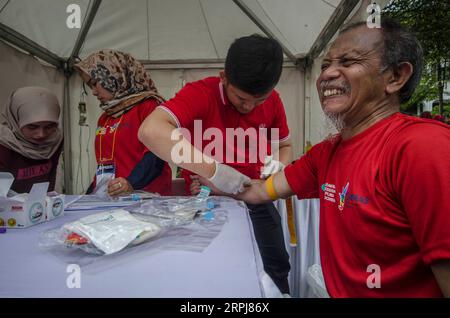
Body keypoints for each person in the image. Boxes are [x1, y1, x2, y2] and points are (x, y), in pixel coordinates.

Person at [236, 19, 450, 297]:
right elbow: (260, 191)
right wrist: (211, 180)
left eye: (348, 62)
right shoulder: (326, 153)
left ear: (395, 77)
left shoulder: (422, 147)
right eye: (325, 65)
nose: (327, 74)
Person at [138, 35, 292, 294]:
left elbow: (284, 147)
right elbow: (151, 131)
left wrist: (279, 163)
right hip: (207, 201)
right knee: (212, 273)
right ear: (224, 77)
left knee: (276, 265)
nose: (249, 107)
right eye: (241, 98)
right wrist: (215, 172)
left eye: (259, 101)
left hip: (257, 197)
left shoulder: (274, 100)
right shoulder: (200, 93)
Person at [74, 49, 172, 196]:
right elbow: (105, 165)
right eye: (90, 86)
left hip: (146, 197)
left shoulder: (148, 106)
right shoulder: (106, 117)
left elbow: (156, 157)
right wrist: (88, 195)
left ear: (114, 75)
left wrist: (130, 183)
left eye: (95, 83)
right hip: (114, 198)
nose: (93, 92)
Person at [0, 87, 63, 193]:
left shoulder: (55, 139)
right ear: (16, 120)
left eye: (49, 127)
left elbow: (50, 178)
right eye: (32, 127)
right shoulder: (4, 143)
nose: (41, 134)